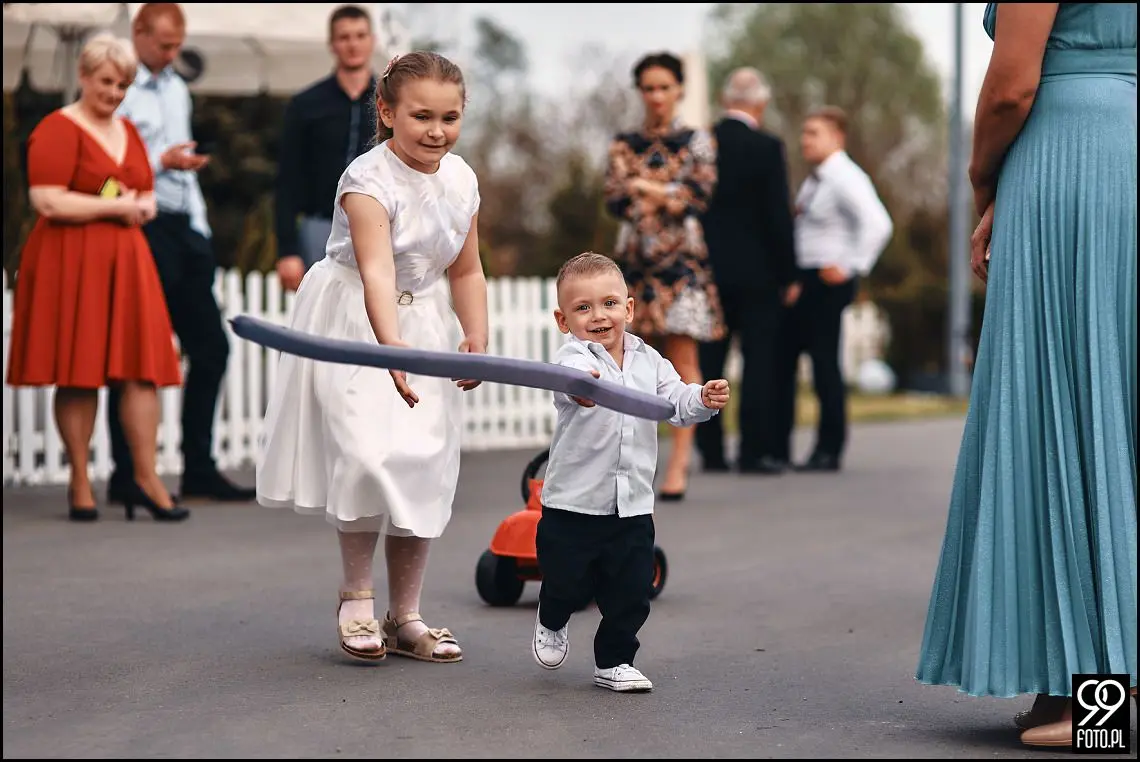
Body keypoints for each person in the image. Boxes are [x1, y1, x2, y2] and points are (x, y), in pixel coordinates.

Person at [916, 3, 1136, 749]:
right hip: (1125, 147)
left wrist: (983, 180)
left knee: (1065, 413)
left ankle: (1100, 713)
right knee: (1114, 406)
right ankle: (1065, 688)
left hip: (1073, 156)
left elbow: (1011, 87)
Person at [255, 51, 488, 664]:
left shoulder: (462, 180)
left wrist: (475, 335)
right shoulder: (367, 180)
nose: (436, 131)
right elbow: (378, 271)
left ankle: (405, 615)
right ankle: (356, 597)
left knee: (421, 460)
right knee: (364, 453)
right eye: (421, 116)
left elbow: (467, 269)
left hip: (425, 319)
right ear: (386, 112)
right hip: (357, 317)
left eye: (449, 118)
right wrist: (389, 344)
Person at [5, 33, 188, 523]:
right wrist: (117, 206)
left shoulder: (127, 130)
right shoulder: (57, 128)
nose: (114, 92)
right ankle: (80, 480)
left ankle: (146, 478)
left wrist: (141, 206)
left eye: (122, 85)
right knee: (78, 369)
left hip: (126, 257)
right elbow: (46, 199)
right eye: (106, 82)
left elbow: (143, 192)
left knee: (141, 368)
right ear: (83, 76)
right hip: (70, 257)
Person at [531, 252, 729, 692]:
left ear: (629, 308)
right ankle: (553, 616)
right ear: (564, 320)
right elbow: (571, 381)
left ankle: (615, 661)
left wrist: (701, 398)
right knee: (565, 581)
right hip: (573, 503)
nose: (598, 316)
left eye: (609, 304)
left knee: (632, 591)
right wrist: (582, 386)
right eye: (583, 308)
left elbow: (675, 401)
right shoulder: (572, 358)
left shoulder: (649, 361)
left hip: (632, 504)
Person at [109, 2, 255, 505]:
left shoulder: (176, 88)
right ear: (139, 32)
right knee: (136, 353)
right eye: (165, 45)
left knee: (212, 348)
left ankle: (199, 469)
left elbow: (179, 158)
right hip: (139, 224)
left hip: (185, 227)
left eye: (178, 45)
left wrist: (199, 225)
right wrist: (159, 162)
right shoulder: (118, 85)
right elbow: (108, 164)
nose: (172, 55)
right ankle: (128, 475)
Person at [603, 51, 723, 502]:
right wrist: (665, 193)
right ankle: (637, 463)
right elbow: (615, 198)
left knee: (683, 360)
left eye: (664, 87)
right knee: (632, 361)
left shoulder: (697, 140)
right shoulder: (623, 142)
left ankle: (678, 465)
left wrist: (645, 187)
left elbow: (698, 196)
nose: (656, 96)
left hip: (682, 266)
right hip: (634, 264)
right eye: (648, 88)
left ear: (679, 91)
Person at [770, 106, 892, 473]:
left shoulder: (845, 176)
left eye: (814, 133)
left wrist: (852, 265)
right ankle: (779, 447)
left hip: (827, 280)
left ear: (837, 137)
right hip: (807, 279)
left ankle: (829, 448)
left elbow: (878, 224)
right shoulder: (817, 179)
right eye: (804, 132)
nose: (805, 140)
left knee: (824, 365)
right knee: (786, 363)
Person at [695, 67, 799, 476]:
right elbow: (777, 215)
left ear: (725, 100)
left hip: (708, 271)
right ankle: (753, 452)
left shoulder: (703, 144)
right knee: (759, 363)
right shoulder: (767, 147)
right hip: (759, 274)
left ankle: (711, 450)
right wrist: (789, 274)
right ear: (762, 102)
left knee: (710, 361)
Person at [275, 4, 379, 291]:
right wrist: (287, 249)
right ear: (332, 44)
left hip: (380, 228)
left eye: (360, 35)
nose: (353, 44)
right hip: (320, 228)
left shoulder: (390, 105)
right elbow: (287, 179)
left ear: (372, 40)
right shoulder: (305, 104)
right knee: (320, 311)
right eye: (344, 37)